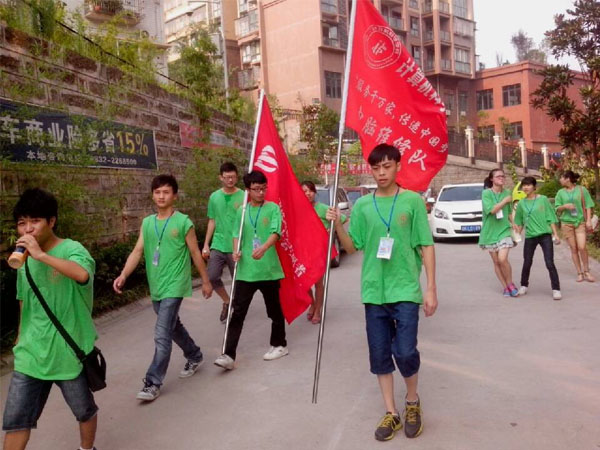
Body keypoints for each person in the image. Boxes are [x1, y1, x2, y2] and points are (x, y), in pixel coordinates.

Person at [326, 144, 437, 442]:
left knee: (405, 351)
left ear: (398, 166)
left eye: (387, 166)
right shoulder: (363, 205)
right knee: (379, 354)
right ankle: (391, 412)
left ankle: (412, 401)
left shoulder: (412, 201)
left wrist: (431, 288)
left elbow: (426, 245)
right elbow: (352, 247)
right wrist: (337, 226)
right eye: (376, 168)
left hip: (405, 289)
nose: (381, 173)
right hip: (374, 292)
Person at [3, 188, 99, 450]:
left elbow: (82, 275)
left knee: (84, 410)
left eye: (35, 221)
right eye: (22, 223)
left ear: (52, 221)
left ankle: (86, 448)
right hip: (31, 353)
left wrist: (42, 256)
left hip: (68, 350)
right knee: (16, 421)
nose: (28, 229)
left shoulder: (72, 249)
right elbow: (24, 299)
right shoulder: (23, 259)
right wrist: (20, 337)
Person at [113, 174, 213, 402]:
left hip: (175, 285)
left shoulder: (183, 222)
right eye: (157, 192)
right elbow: (137, 251)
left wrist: (206, 281)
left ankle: (153, 382)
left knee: (161, 334)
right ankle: (194, 355)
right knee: (172, 326)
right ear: (152, 195)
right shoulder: (148, 223)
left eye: (166, 192)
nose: (161, 196)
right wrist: (124, 274)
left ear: (174, 196)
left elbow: (195, 253)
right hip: (156, 284)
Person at [214, 170, 288, 370]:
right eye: (256, 189)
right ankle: (228, 354)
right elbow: (236, 234)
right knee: (237, 312)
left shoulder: (272, 208)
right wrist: (236, 251)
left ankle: (279, 344)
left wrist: (263, 248)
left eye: (263, 188)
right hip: (246, 271)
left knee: (274, 310)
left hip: (268, 270)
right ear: (248, 190)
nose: (260, 192)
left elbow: (276, 232)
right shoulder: (242, 211)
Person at [202, 162, 245, 322]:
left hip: (236, 245)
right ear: (221, 178)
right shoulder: (214, 197)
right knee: (212, 276)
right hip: (218, 244)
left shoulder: (243, 196)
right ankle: (227, 301)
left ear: (237, 177)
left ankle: (238, 307)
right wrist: (206, 244)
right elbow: (212, 221)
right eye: (227, 177)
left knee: (238, 281)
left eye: (233, 177)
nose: (230, 180)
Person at [300, 180, 346, 324]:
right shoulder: (298, 209)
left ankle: (317, 310)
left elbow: (343, 218)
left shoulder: (323, 208)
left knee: (318, 282)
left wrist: (330, 229)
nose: (308, 194)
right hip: (303, 251)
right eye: (304, 191)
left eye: (310, 191)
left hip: (319, 251)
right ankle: (312, 303)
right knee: (304, 282)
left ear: (315, 192)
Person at [513, 177, 562, 300]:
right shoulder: (521, 203)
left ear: (534, 187)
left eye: (528, 185)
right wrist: (516, 235)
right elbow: (519, 222)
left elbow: (550, 217)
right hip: (530, 236)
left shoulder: (543, 199)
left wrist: (555, 234)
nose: (525, 187)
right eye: (524, 185)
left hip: (545, 235)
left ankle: (556, 289)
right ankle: (523, 285)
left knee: (549, 263)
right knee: (527, 262)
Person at [478, 169, 519, 297]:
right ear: (492, 179)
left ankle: (510, 283)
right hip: (490, 232)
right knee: (496, 262)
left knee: (502, 259)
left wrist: (513, 223)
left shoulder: (507, 192)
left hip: (504, 230)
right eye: (498, 176)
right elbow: (492, 210)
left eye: (503, 176)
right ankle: (505, 287)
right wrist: (505, 201)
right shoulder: (486, 193)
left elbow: (509, 211)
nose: (501, 178)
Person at [555, 170, 595, 282]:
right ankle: (579, 273)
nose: (560, 180)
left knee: (582, 247)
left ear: (567, 179)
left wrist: (588, 220)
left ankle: (587, 271)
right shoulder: (560, 193)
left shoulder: (582, 190)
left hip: (580, 222)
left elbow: (588, 205)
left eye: (561, 177)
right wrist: (565, 206)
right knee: (573, 248)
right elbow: (557, 208)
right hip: (566, 223)